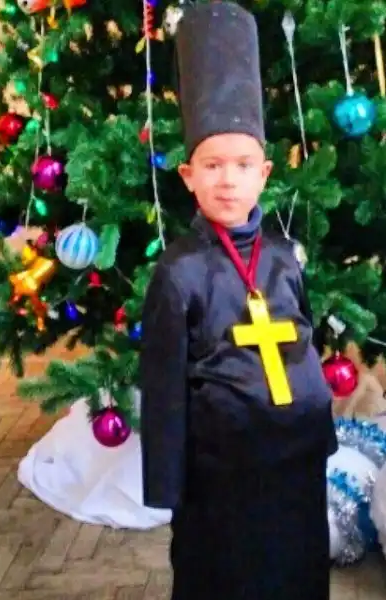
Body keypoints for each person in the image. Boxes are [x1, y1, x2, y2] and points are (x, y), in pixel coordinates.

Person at [139, 3, 338, 600]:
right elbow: (163, 388)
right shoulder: (179, 273)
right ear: (187, 176)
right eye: (212, 164)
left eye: (243, 164)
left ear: (265, 173)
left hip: (294, 463)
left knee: (295, 567)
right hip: (220, 473)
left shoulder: (283, 259)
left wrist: (320, 436)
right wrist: (168, 486)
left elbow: (305, 346)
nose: (228, 179)